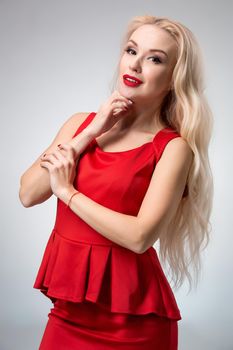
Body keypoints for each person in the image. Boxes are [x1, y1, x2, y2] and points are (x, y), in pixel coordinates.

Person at [19, 14, 214, 350]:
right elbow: (28, 193)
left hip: (133, 324)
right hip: (69, 313)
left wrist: (67, 191)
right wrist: (90, 134)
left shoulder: (173, 148)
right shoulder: (80, 124)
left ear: (172, 79)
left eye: (154, 59)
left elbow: (139, 238)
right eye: (131, 51)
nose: (136, 65)